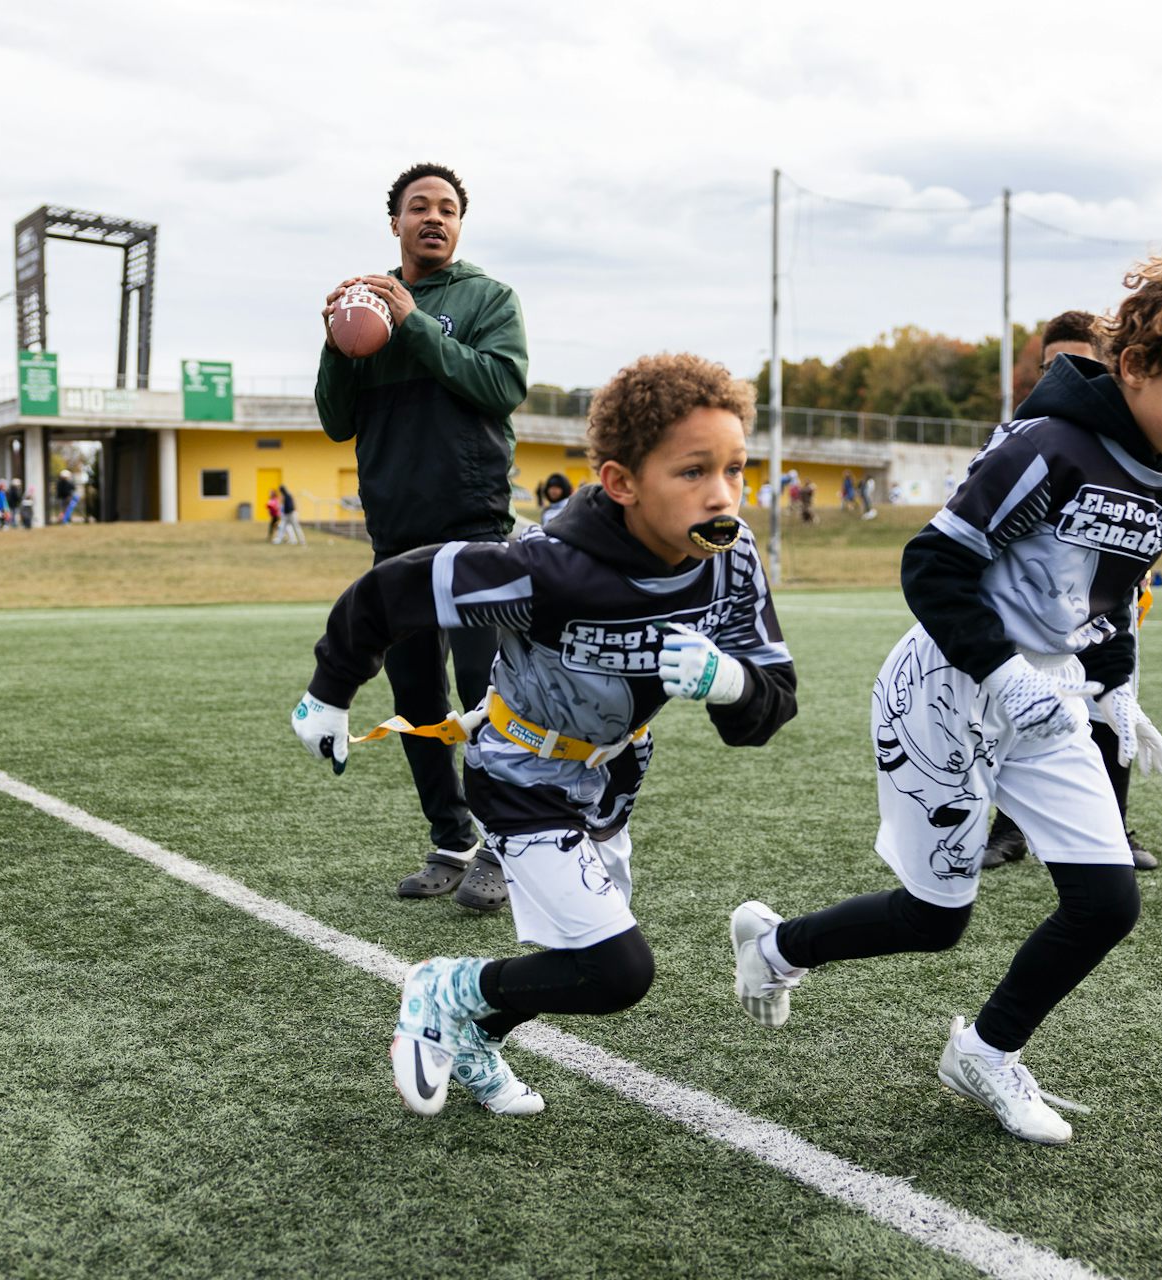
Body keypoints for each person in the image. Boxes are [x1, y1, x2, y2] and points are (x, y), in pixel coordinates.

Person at [730, 253, 1162, 1145]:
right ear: (1138, 368)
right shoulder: (1046, 446)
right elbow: (932, 565)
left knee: (1106, 904)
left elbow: (1105, 605)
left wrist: (1115, 693)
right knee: (934, 920)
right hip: (947, 688)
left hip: (1051, 700)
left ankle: (984, 1054)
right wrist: (1003, 675)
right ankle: (775, 948)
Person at [293, 353, 797, 1117]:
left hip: (613, 774)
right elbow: (396, 587)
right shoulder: (546, 569)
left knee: (577, 958)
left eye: (735, 468)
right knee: (618, 970)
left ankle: (475, 1033)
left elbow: (767, 707)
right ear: (622, 483)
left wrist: (730, 682)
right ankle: (444, 989)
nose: (723, 494)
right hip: (519, 773)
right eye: (693, 472)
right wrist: (329, 690)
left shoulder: (730, 558)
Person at [314, 160, 529, 910]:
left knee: (484, 692)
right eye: (419, 207)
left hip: (474, 529)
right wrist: (337, 346)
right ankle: (452, 837)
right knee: (415, 695)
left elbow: (500, 387)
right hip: (396, 533)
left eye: (447, 208)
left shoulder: (488, 298)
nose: (434, 217)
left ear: (459, 225)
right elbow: (337, 421)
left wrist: (413, 323)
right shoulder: (363, 302)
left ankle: (505, 845)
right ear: (396, 222)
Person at [983, 310, 1160, 872]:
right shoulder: (1031, 434)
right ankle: (1010, 830)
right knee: (1022, 708)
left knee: (1112, 704)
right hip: (1033, 612)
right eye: (1048, 365)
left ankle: (1114, 829)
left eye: (1077, 362)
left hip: (1104, 607)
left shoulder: (1131, 437)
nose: (1061, 374)